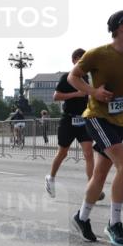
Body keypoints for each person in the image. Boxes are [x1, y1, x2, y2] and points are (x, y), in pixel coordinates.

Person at [68, 10, 123, 246]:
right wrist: (94, 92)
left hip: (119, 120)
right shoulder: (98, 54)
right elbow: (74, 77)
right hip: (96, 117)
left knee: (100, 174)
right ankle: (114, 224)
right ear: (122, 26)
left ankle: (81, 218)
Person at [45, 48, 104, 202]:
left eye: (84, 59)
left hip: (84, 119)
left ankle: (92, 189)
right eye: (79, 59)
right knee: (62, 152)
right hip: (68, 120)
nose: (82, 62)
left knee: (88, 153)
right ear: (73, 61)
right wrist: (76, 94)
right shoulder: (67, 77)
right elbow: (56, 96)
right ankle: (50, 178)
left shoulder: (88, 79)